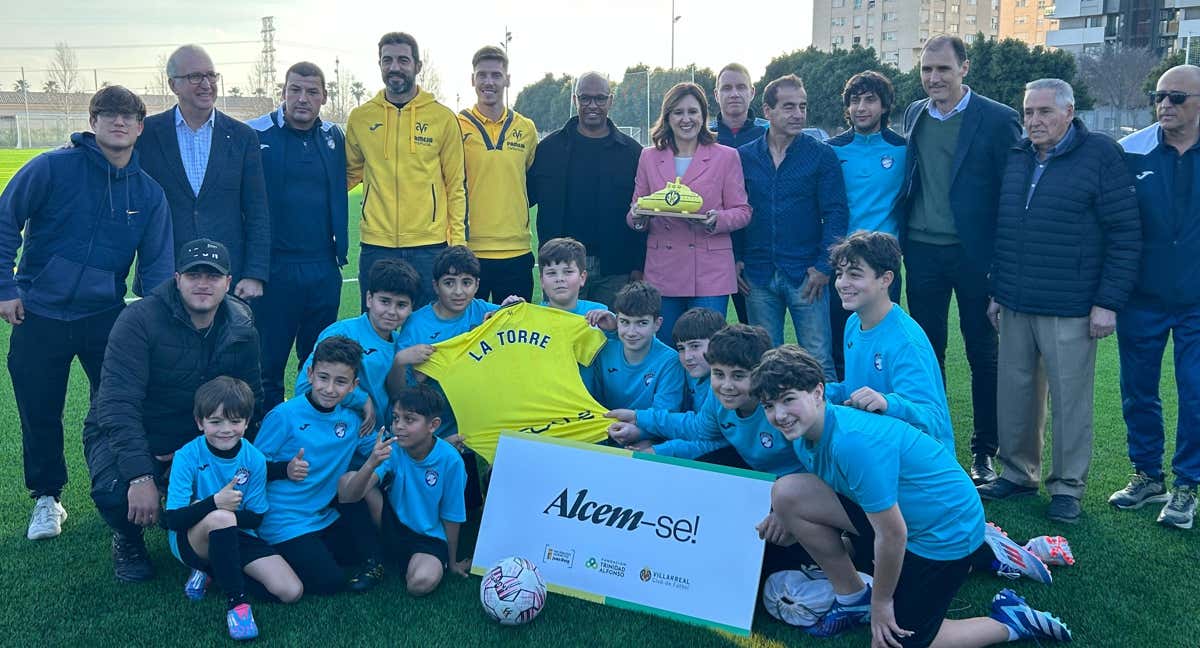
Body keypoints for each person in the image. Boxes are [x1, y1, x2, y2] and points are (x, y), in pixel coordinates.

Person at [752, 346, 1073, 646]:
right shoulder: (803, 432)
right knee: (787, 493)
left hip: (944, 529)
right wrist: (783, 514)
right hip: (907, 511)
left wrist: (881, 602)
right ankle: (851, 599)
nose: (779, 414)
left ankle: (1010, 619)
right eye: (769, 405)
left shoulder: (852, 442)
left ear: (818, 393)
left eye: (788, 400)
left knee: (901, 639)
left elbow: (892, 534)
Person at [1, 85, 175, 541]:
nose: (119, 122)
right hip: (38, 314)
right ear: (93, 122)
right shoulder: (52, 168)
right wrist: (6, 287)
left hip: (105, 318)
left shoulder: (149, 193)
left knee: (119, 407)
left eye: (128, 116)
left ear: (140, 127)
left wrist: (154, 320)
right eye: (108, 114)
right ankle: (47, 498)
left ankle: (127, 488)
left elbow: (158, 265)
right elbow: (5, 220)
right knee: (40, 410)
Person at [978, 79, 1141, 524]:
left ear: (1070, 112)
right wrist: (996, 290)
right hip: (1014, 300)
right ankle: (1017, 472)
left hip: (1071, 304)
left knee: (1070, 401)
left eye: (1045, 112)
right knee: (1014, 394)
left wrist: (1108, 301)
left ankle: (1067, 487)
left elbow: (1125, 233)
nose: (1034, 121)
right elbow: (1005, 227)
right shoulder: (1018, 154)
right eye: (1029, 112)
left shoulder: (1101, 155)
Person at [82, 238, 264, 582]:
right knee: (116, 491)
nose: (203, 283)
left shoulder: (241, 323)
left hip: (198, 435)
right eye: (194, 274)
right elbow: (118, 405)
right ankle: (129, 537)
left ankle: (199, 519)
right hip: (143, 433)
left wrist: (237, 455)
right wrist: (141, 475)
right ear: (177, 277)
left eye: (213, 276)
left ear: (228, 282)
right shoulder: (138, 319)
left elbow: (252, 396)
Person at [899, 35, 1021, 486]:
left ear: (964, 68)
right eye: (927, 69)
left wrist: (1001, 266)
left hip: (975, 256)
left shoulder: (998, 119)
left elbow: (1011, 198)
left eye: (943, 69)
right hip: (922, 252)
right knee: (928, 355)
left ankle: (984, 451)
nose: (934, 78)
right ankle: (935, 443)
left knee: (982, 355)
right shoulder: (914, 114)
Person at [1113, 64, 1200, 530]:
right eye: (1158, 95)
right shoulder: (1132, 152)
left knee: (1196, 391)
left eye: (1176, 97)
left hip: (1197, 300)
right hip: (1141, 298)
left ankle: (1187, 485)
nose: (1164, 104)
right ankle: (1148, 475)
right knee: (1138, 392)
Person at [163, 377, 302, 641]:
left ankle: (211, 573)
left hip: (236, 532)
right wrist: (214, 503)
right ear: (200, 422)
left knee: (290, 591)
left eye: (235, 421)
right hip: (192, 539)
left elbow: (256, 517)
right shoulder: (186, 455)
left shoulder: (255, 459)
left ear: (247, 422)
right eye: (215, 422)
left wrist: (221, 511)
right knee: (221, 517)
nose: (225, 429)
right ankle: (237, 605)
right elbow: (173, 520)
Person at [247, 62, 348, 411]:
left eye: (312, 92)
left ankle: (314, 443)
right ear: (283, 92)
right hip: (275, 269)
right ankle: (270, 450)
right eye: (295, 90)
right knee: (267, 366)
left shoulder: (334, 137)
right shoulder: (255, 134)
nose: (302, 99)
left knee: (319, 364)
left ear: (323, 97)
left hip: (323, 267)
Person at [136, 45, 269, 297]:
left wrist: (254, 273)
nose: (206, 84)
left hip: (227, 277)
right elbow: (111, 151)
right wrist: (80, 141)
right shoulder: (147, 134)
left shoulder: (243, 137)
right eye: (195, 76)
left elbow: (257, 211)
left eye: (211, 75)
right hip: (164, 275)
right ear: (173, 85)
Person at [254, 336, 384, 594]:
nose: (329, 389)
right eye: (323, 378)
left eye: (341, 382)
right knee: (329, 582)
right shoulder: (284, 416)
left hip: (321, 514)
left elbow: (384, 450)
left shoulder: (351, 421)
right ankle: (253, 561)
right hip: (282, 518)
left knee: (355, 483)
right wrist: (285, 469)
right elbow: (250, 467)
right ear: (310, 374)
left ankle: (373, 562)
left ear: (353, 386)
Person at [346, 32, 466, 309]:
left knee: (427, 327)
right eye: (387, 60)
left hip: (430, 246)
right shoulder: (361, 117)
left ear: (417, 66)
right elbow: (348, 174)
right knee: (377, 328)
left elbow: (455, 185)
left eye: (403, 60)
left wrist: (457, 244)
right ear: (379, 65)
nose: (395, 67)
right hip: (377, 245)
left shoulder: (442, 117)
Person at [738, 74, 848, 378]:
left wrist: (824, 266)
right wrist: (736, 259)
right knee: (765, 361)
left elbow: (836, 213)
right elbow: (735, 209)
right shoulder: (744, 157)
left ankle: (827, 425)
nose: (798, 114)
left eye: (802, 106)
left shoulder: (821, 155)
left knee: (818, 359)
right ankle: (772, 426)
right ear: (767, 111)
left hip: (806, 275)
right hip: (758, 274)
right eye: (789, 107)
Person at [629, 82, 750, 340]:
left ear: (703, 116)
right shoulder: (648, 157)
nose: (686, 119)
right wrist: (638, 217)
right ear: (668, 117)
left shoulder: (726, 156)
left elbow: (742, 210)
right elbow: (635, 209)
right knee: (668, 351)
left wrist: (718, 220)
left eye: (693, 112)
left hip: (710, 271)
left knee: (706, 351)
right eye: (678, 112)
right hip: (663, 270)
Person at [825, 232, 952, 449]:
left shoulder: (905, 341)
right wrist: (815, 389)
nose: (842, 283)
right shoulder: (854, 322)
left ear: (886, 279)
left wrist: (887, 403)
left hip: (920, 463)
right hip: (876, 445)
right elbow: (854, 389)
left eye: (855, 275)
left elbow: (932, 418)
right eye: (839, 274)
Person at [340, 386, 470, 595]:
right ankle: (375, 557)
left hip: (427, 537)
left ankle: (411, 561)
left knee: (419, 584)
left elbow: (452, 516)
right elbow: (348, 497)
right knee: (349, 480)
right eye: (395, 418)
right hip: (392, 525)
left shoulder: (451, 461)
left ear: (433, 425)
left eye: (409, 420)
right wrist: (371, 463)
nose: (398, 426)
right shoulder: (393, 449)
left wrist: (452, 561)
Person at [529, 72, 644, 307]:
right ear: (575, 100)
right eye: (585, 98)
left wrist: (638, 265)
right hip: (560, 267)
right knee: (560, 338)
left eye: (600, 98)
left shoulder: (632, 153)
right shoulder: (548, 150)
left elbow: (643, 214)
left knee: (610, 339)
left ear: (611, 100)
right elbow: (522, 199)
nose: (593, 105)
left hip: (615, 269)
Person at [826, 71, 907, 380]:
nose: (861, 107)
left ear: (884, 106)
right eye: (855, 100)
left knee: (882, 341)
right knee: (841, 342)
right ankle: (845, 414)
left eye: (870, 100)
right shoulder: (833, 150)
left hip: (884, 262)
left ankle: (882, 407)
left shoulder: (903, 149)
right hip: (844, 262)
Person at [296, 258, 425, 434]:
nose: (391, 311)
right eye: (385, 301)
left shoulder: (403, 344)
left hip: (379, 437)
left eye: (401, 305)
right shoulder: (342, 333)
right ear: (369, 299)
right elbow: (305, 385)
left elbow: (400, 398)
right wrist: (361, 399)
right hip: (334, 435)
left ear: (412, 308)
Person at [458, 46, 538, 303]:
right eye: (482, 75)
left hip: (516, 249)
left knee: (515, 334)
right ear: (473, 80)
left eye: (495, 75)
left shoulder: (526, 128)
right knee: (471, 334)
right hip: (471, 249)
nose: (488, 82)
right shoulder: (455, 125)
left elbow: (528, 180)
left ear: (507, 79)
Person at [711, 62, 769, 325]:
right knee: (707, 331)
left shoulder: (769, 135)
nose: (734, 93)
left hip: (759, 251)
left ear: (752, 92)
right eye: (727, 88)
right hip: (713, 249)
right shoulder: (704, 137)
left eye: (740, 87)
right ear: (716, 94)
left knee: (757, 333)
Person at [584, 281, 685, 412]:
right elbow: (591, 400)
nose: (631, 332)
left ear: (657, 324)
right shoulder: (603, 351)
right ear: (617, 320)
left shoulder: (670, 361)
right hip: (605, 426)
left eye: (642, 323)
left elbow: (664, 414)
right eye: (625, 322)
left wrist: (637, 430)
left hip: (649, 431)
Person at [671, 307, 727, 413]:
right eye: (681, 348)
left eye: (695, 346)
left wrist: (638, 417)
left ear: (717, 343)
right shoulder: (688, 373)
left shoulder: (724, 384)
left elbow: (700, 426)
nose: (687, 357)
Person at [538, 237, 608, 315]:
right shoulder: (534, 314)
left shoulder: (599, 314)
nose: (559, 279)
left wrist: (612, 325)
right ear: (542, 281)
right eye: (552, 273)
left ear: (582, 278)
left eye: (568, 272)